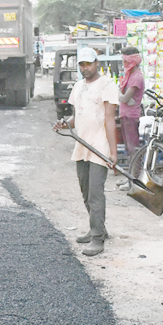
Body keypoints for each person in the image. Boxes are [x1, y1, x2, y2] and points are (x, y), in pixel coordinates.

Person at [54, 46, 117, 257]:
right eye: (81, 64)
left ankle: (98, 239)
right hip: (81, 144)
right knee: (85, 191)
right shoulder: (78, 86)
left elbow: (110, 119)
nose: (85, 68)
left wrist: (113, 153)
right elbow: (77, 116)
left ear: (97, 63)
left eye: (89, 63)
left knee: (96, 194)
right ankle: (97, 228)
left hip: (99, 146)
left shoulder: (107, 85)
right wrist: (64, 123)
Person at [118, 46, 145, 157]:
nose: (123, 63)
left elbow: (125, 98)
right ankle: (133, 172)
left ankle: (135, 173)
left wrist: (117, 92)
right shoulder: (129, 76)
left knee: (132, 147)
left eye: (125, 60)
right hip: (125, 115)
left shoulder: (137, 77)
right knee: (128, 147)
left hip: (131, 116)